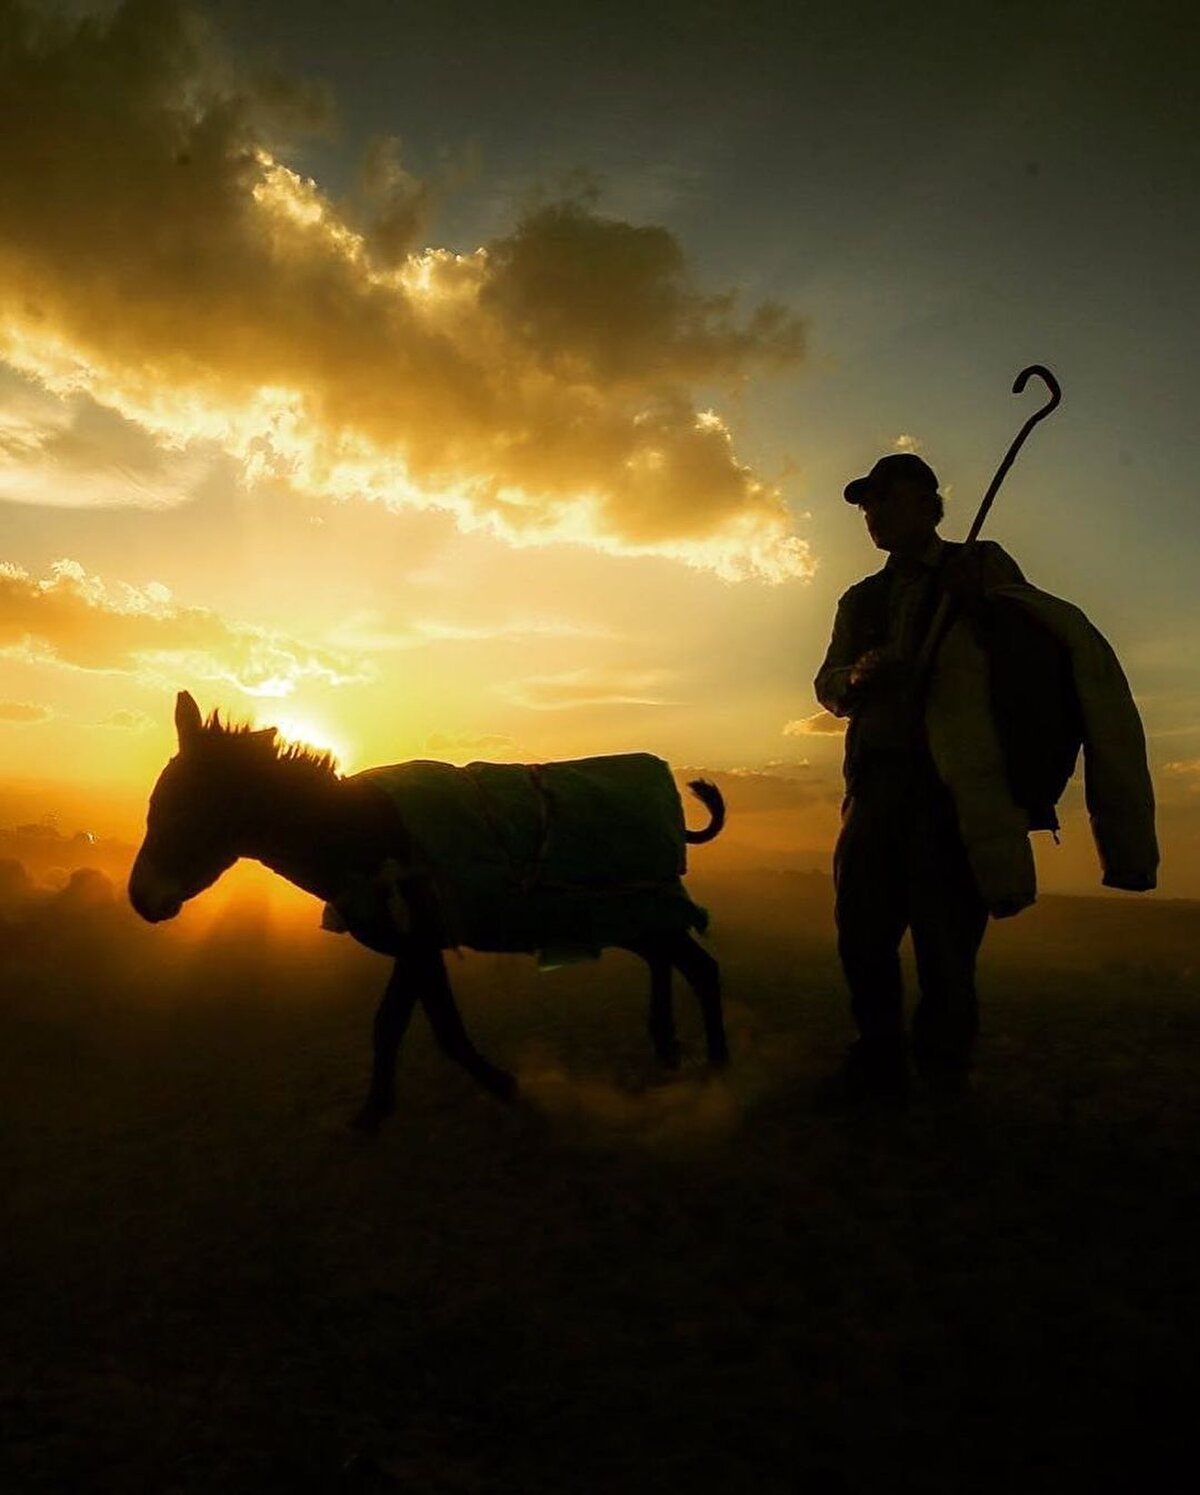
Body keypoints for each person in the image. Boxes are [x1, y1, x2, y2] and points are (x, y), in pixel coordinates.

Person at [814, 452, 1024, 1101]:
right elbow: (827, 683)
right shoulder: (862, 598)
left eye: (888, 498)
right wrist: (860, 678)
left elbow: (1025, 654)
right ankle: (877, 1057)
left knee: (945, 943)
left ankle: (943, 1075)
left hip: (948, 787)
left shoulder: (982, 567)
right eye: (867, 503)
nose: (874, 512)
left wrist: (980, 607)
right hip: (876, 787)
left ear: (931, 507)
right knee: (862, 932)